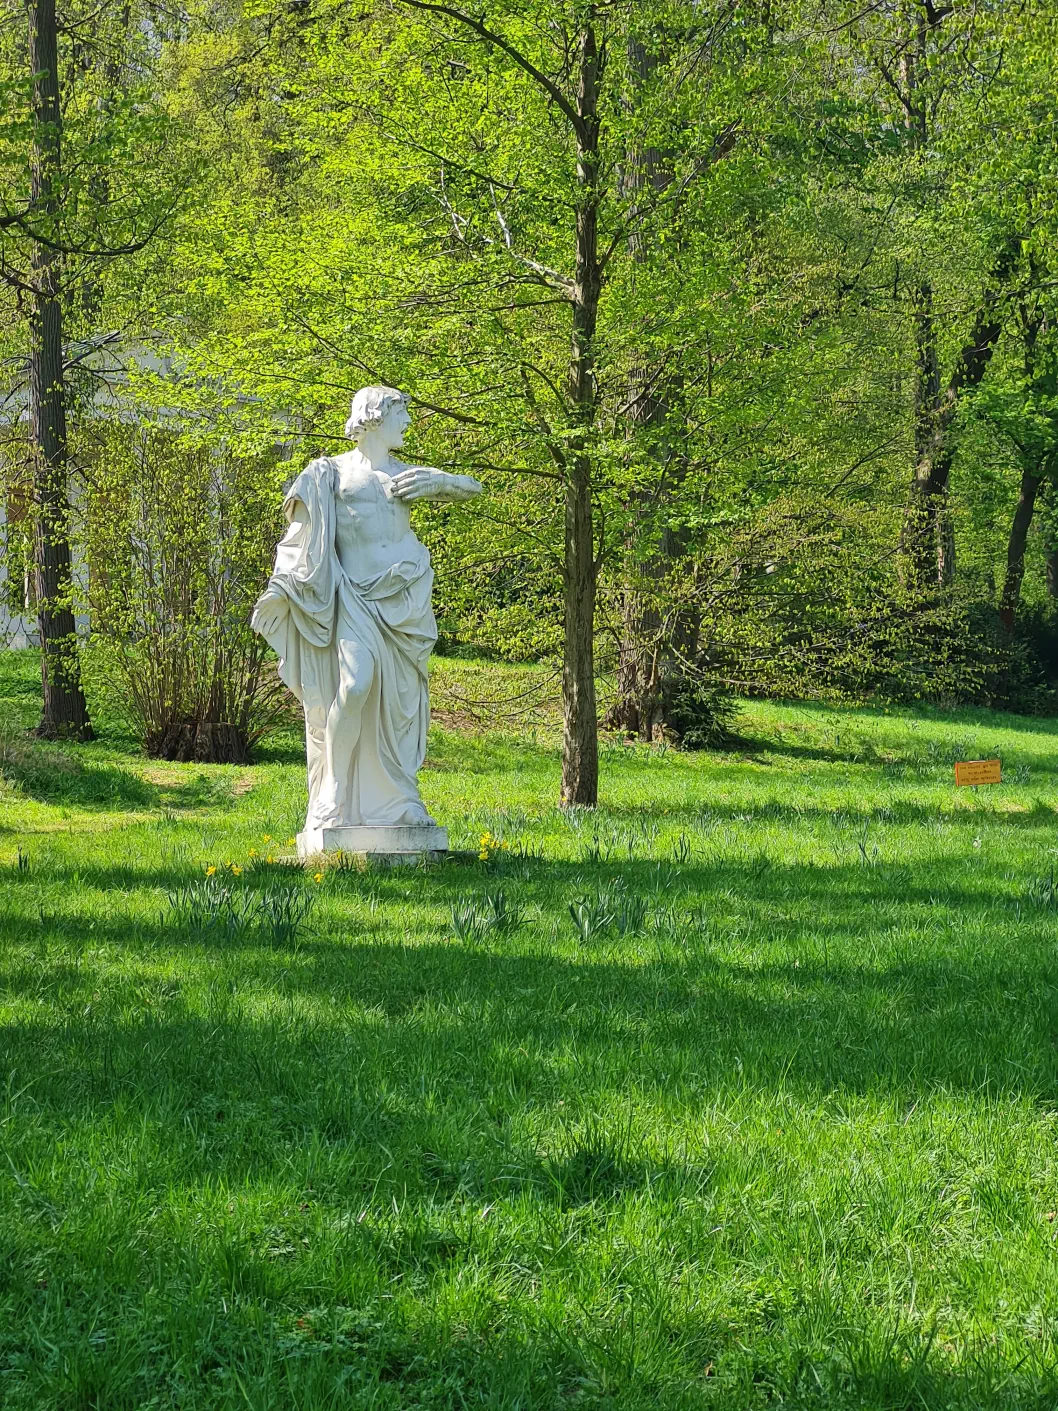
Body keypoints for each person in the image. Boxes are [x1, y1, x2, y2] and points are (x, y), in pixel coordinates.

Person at [252, 386, 481, 831]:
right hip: (353, 598)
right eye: (402, 414)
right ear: (376, 416)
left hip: (403, 601)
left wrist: (441, 482)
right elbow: (299, 542)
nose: (409, 424)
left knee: (398, 703)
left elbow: (474, 488)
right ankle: (333, 790)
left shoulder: (409, 474)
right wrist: (282, 588)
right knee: (355, 687)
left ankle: (400, 799)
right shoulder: (329, 475)